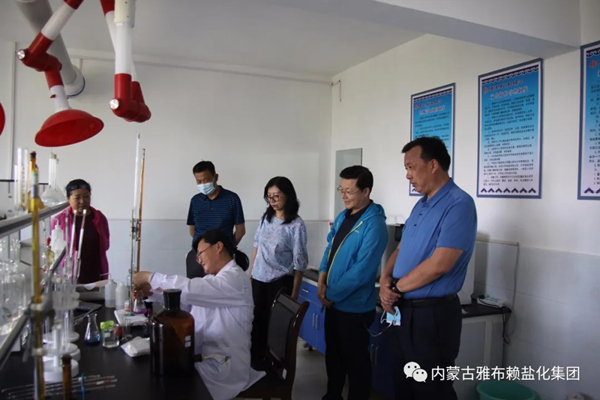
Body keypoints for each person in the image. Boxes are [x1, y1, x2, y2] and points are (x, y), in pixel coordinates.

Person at [379, 136, 477, 400]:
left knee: (432, 389)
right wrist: (385, 279)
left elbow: (440, 264)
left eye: (411, 167)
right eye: (406, 169)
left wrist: (395, 288)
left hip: (432, 316)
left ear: (433, 165)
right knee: (403, 384)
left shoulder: (459, 204)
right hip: (403, 311)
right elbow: (400, 250)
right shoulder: (421, 205)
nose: (408, 175)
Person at [133, 229, 265, 400]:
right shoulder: (214, 279)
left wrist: (150, 277)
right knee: (160, 370)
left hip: (225, 366)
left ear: (218, 247)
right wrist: (151, 293)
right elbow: (187, 304)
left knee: (167, 381)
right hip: (209, 357)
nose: (199, 259)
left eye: (201, 253)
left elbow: (189, 290)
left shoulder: (234, 278)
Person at [317, 166, 389, 400]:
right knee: (334, 357)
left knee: (356, 364)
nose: (344, 196)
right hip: (333, 304)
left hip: (354, 308)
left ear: (366, 191)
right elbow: (330, 248)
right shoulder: (343, 216)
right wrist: (322, 276)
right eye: (341, 190)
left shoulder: (374, 224)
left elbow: (362, 272)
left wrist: (329, 293)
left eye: (349, 191)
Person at [248, 176, 308, 365]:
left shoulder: (296, 224)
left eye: (277, 196)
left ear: (288, 196)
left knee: (277, 328)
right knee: (257, 323)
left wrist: (294, 295)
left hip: (280, 282)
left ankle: (275, 368)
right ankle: (256, 365)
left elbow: (299, 262)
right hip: (259, 279)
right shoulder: (266, 217)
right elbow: (257, 245)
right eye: (269, 196)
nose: (272, 201)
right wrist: (251, 272)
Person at [186, 161, 246, 278]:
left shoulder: (232, 199)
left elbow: (240, 230)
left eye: (206, 180)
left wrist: (227, 248)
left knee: (223, 287)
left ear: (216, 177)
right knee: (196, 287)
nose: (203, 184)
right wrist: (204, 249)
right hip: (198, 256)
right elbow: (192, 230)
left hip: (222, 258)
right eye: (199, 181)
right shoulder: (195, 201)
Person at [50, 179, 110, 284]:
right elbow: (53, 250)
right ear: (68, 199)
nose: (82, 201)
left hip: (97, 274)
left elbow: (106, 245)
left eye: (86, 196)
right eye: (77, 198)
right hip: (68, 276)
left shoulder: (99, 218)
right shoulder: (59, 221)